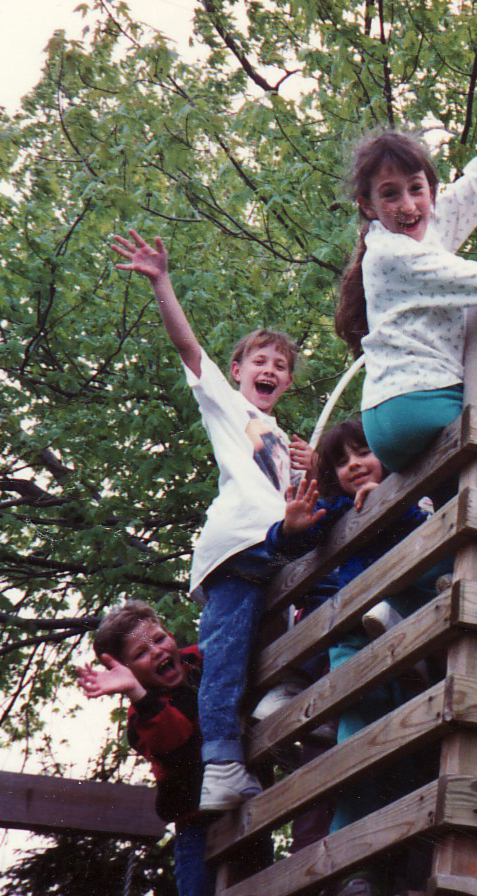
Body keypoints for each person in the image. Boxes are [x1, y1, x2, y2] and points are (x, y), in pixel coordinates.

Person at [111, 231, 302, 812]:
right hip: (237, 547)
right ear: (238, 370)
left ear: (288, 383)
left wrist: (314, 463)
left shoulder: (280, 437)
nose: (270, 370)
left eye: (281, 366)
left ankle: (277, 694)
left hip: (275, 548)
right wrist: (162, 281)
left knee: (283, 620)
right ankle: (220, 763)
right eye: (260, 362)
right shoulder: (228, 404)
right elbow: (189, 347)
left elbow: (304, 496)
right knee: (223, 656)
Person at [333, 66, 477, 475]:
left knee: (452, 494)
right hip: (421, 400)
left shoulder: (428, 228)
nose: (408, 205)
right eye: (390, 195)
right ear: (368, 206)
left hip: (391, 414)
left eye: (416, 189)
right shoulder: (390, 253)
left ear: (431, 190)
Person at [270, 420, 438, 896]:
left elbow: (422, 530)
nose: (354, 465)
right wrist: (289, 529)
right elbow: (292, 546)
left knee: (405, 753)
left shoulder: (411, 493)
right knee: (356, 749)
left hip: (404, 632)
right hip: (352, 639)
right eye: (341, 462)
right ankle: (353, 868)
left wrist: (388, 502)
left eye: (363, 452)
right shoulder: (339, 509)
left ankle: (391, 871)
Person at [78, 602, 268, 896]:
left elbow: (235, 647)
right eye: (141, 654)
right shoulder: (143, 717)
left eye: (158, 639)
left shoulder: (201, 660)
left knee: (261, 880)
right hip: (196, 823)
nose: (156, 651)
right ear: (127, 673)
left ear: (170, 635)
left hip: (246, 799)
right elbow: (175, 737)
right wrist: (138, 694)